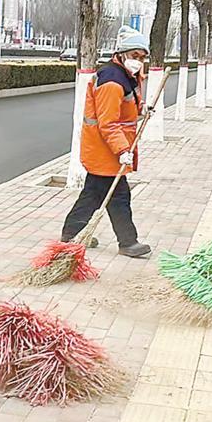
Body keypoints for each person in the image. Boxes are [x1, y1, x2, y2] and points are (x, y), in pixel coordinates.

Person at [60, 25, 152, 258]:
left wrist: (142, 109)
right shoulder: (112, 80)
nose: (138, 61)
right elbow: (108, 122)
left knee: (99, 195)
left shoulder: (126, 76)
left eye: (142, 57)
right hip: (105, 150)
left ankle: (74, 235)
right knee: (113, 196)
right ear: (121, 54)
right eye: (134, 56)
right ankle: (125, 242)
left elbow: (125, 109)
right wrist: (122, 150)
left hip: (108, 150)